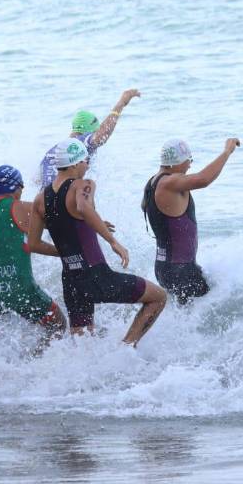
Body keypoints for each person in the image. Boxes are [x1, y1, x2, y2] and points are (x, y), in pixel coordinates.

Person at [29, 139, 167, 346]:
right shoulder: (84, 185)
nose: (88, 165)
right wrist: (113, 241)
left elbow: (33, 244)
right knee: (158, 297)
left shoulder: (40, 199)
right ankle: (127, 348)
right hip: (97, 276)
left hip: (71, 281)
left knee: (83, 348)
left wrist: (67, 252)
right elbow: (83, 207)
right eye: (86, 160)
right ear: (75, 163)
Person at [0, 165, 66, 342]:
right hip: (20, 288)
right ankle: (38, 362)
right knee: (58, 324)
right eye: (21, 186)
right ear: (16, 187)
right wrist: (65, 252)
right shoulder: (22, 208)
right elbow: (62, 220)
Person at [141, 137, 241, 304]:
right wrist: (227, 152)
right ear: (175, 162)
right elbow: (204, 179)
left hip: (166, 267)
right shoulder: (169, 182)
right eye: (188, 160)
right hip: (180, 270)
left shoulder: (152, 183)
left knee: (188, 315)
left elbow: (147, 208)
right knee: (212, 308)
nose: (189, 165)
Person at [35, 89, 141, 188]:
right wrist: (121, 104)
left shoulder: (54, 151)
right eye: (95, 131)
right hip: (62, 200)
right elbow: (102, 135)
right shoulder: (80, 144)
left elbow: (37, 182)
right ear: (89, 131)